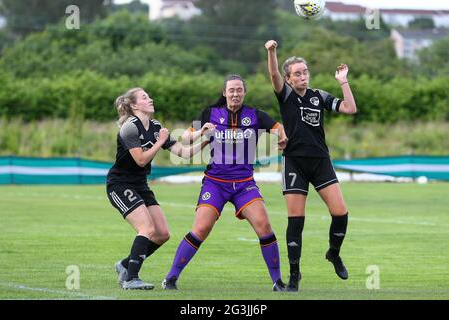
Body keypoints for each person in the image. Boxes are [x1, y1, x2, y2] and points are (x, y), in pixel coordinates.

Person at [161, 75, 289, 292]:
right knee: (200, 229)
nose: (235, 94)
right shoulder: (210, 113)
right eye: (231, 90)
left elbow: (278, 128)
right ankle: (171, 278)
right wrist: (201, 132)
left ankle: (277, 282)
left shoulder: (255, 115)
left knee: (264, 227)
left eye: (239, 90)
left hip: (244, 184)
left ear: (244, 92)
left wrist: (282, 138)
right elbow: (184, 139)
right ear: (224, 93)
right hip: (215, 183)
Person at [264, 40, 357, 292]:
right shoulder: (286, 96)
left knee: (341, 213)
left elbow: (350, 108)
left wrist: (343, 81)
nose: (303, 77)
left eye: (305, 72)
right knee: (296, 221)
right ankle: (294, 277)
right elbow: (272, 73)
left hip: (320, 162)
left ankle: (334, 253)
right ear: (288, 78)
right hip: (295, 162)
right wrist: (272, 52)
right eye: (297, 74)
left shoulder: (319, 96)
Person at [107, 87, 212, 290]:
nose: (151, 99)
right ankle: (131, 278)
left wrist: (205, 138)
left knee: (162, 233)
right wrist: (161, 141)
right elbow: (140, 160)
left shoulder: (156, 127)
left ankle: (125, 265)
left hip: (140, 184)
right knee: (146, 228)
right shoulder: (130, 127)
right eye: (145, 97)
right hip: (120, 184)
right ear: (135, 105)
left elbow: (184, 153)